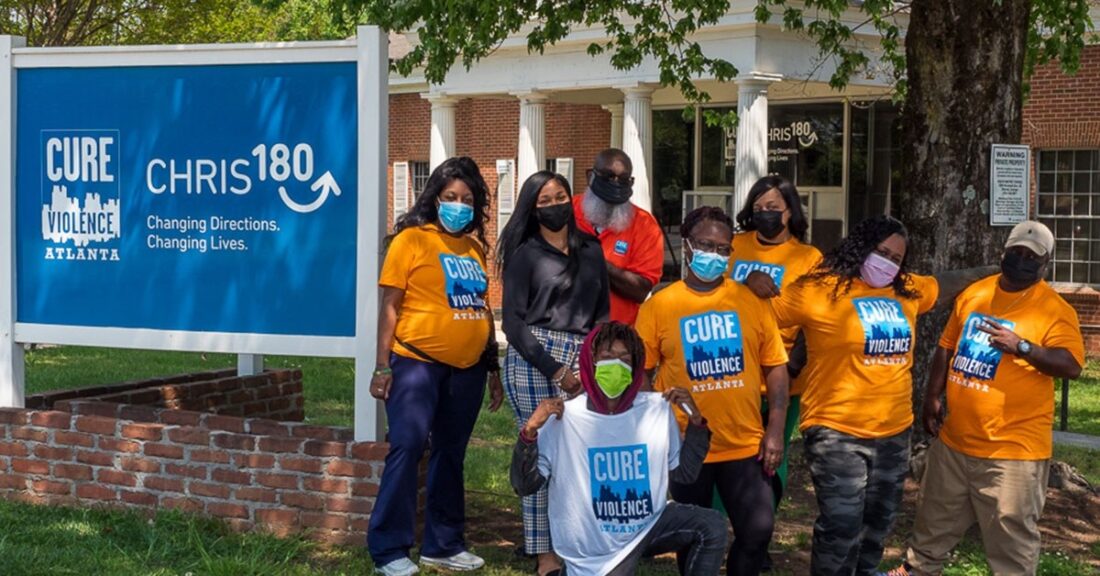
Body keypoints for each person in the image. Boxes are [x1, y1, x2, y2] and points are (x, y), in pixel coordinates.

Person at [770, 214, 992, 576]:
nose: (886, 263)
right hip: (836, 430)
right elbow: (760, 315)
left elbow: (944, 283)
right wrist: (751, 284)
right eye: (881, 252)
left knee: (876, 527)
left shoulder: (906, 289)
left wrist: (995, 270)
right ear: (860, 247)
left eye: (896, 258)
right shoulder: (816, 289)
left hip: (893, 431)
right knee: (841, 525)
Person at [882, 221, 1083, 576]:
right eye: (1016, 252)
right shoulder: (977, 292)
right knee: (931, 527)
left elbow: (1070, 365)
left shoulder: (1055, 309)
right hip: (955, 443)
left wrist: (1021, 346)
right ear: (1003, 251)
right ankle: (916, 571)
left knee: (1011, 547)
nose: (1021, 260)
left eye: (1031, 257)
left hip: (1013, 452)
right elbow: (946, 347)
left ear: (1045, 263)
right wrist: (931, 397)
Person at [368, 156, 505, 576]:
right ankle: (389, 549)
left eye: (466, 199)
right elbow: (390, 305)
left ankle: (443, 545)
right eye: (450, 197)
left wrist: (492, 368)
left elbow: (481, 310)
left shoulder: (474, 248)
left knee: (451, 454)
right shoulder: (411, 240)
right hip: (415, 364)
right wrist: (382, 365)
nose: (458, 205)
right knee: (408, 446)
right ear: (435, 198)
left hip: (467, 371)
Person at [636, 206, 790, 576]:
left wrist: (775, 429)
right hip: (687, 444)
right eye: (706, 244)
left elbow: (776, 366)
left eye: (724, 249)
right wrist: (654, 428)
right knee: (694, 537)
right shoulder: (660, 305)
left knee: (757, 530)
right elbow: (641, 373)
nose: (714, 254)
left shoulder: (750, 300)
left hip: (744, 441)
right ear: (687, 245)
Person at [510, 322, 728, 576]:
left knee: (711, 526)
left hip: (647, 525)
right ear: (590, 362)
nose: (616, 365)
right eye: (607, 356)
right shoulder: (565, 417)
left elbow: (685, 474)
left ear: (636, 367)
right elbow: (524, 485)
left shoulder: (653, 410)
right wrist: (530, 432)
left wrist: (696, 422)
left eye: (625, 359)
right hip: (595, 547)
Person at [496, 170, 610, 576]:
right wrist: (556, 368)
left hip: (584, 354)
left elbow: (603, 315)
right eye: (543, 201)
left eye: (559, 196)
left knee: (576, 455)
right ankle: (545, 553)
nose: (553, 205)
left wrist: (593, 363)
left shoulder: (592, 250)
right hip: (533, 357)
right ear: (532, 207)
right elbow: (513, 323)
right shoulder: (525, 254)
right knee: (540, 453)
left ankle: (576, 538)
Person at [732, 175, 822, 507]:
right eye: (758, 208)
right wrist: (747, 282)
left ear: (789, 211)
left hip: (784, 373)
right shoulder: (734, 245)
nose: (765, 213)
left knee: (771, 455)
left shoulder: (809, 257)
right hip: (733, 370)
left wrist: (793, 367)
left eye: (772, 207)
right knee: (731, 454)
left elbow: (815, 319)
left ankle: (762, 528)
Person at [573, 148, 665, 325]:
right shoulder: (567, 211)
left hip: (616, 337)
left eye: (623, 180)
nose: (615, 184)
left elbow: (640, 291)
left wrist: (596, 259)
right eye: (608, 176)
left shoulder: (645, 225)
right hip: (566, 331)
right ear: (590, 176)